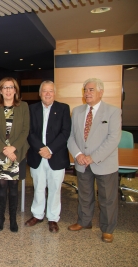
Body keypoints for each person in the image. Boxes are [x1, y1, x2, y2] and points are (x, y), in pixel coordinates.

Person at [67, 78, 121, 243]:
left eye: (91, 90)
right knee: (84, 195)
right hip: (82, 163)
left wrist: (93, 157)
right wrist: (78, 155)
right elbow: (71, 137)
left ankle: (107, 229)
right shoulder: (77, 111)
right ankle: (84, 221)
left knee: (107, 198)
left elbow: (113, 139)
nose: (87, 93)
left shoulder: (112, 111)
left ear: (101, 92)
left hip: (103, 163)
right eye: (85, 90)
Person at [25, 81, 71, 233]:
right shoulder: (32, 109)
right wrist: (41, 149)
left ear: (55, 93)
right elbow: (29, 132)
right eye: (44, 91)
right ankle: (37, 214)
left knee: (55, 188)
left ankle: (52, 218)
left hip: (56, 155)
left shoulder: (63, 108)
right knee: (38, 186)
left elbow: (65, 132)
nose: (47, 93)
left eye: (50, 91)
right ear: (40, 93)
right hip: (37, 155)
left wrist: (50, 149)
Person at [0, 77, 30, 233]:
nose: (8, 90)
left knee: (14, 187)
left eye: (10, 87)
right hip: (1, 153)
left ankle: (13, 220)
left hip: (17, 152)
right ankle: (1, 219)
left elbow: (25, 130)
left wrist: (13, 148)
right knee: (1, 188)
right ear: (0, 91)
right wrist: (4, 149)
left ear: (15, 90)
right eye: (4, 87)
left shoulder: (24, 106)